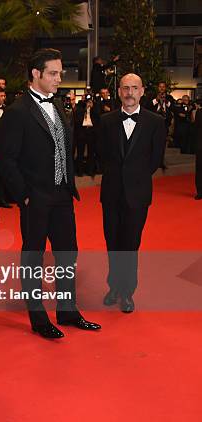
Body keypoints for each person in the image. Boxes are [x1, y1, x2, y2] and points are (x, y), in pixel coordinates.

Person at [0, 49, 101, 339]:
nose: (59, 78)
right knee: (33, 256)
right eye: (53, 73)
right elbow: (7, 159)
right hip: (35, 197)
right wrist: (24, 196)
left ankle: (67, 310)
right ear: (36, 74)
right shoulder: (17, 111)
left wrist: (68, 184)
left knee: (67, 254)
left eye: (60, 73)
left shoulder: (57, 106)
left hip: (62, 195)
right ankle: (38, 316)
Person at [98, 73, 165, 313]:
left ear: (142, 91)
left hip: (138, 194)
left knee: (130, 244)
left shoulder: (155, 121)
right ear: (118, 92)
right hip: (111, 193)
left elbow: (155, 158)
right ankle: (114, 287)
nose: (129, 93)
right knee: (113, 242)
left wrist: (134, 177)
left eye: (134, 88)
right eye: (125, 88)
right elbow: (102, 154)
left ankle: (127, 292)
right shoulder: (105, 121)